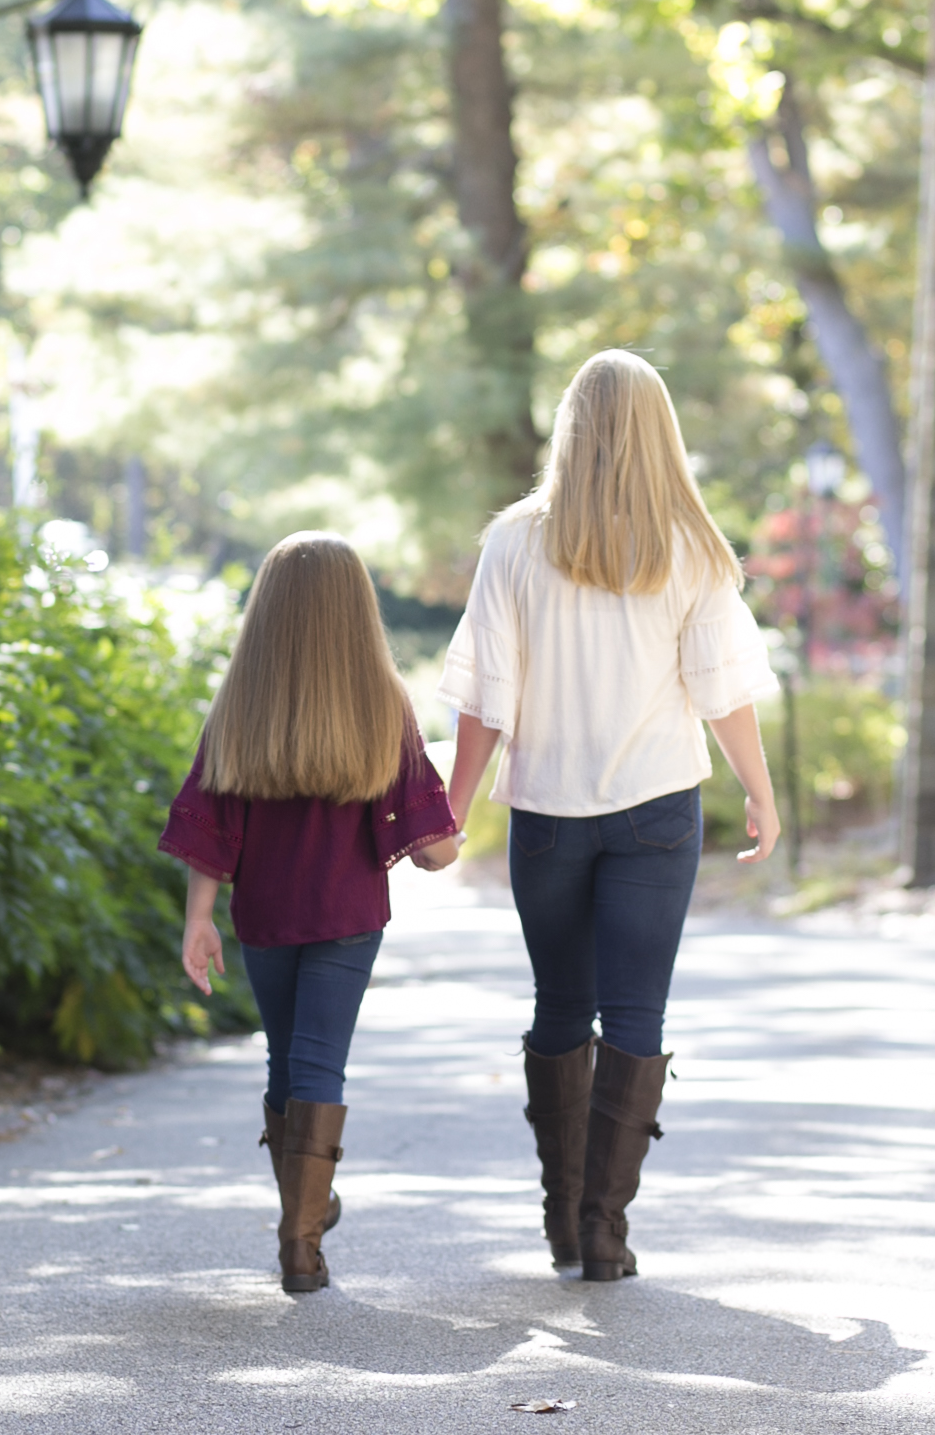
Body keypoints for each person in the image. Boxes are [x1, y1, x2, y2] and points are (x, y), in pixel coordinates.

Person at [438, 350, 781, 1282]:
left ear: (572, 425)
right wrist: (758, 785)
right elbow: (722, 689)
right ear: (658, 428)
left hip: (547, 811)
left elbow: (485, 699)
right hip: (658, 811)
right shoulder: (692, 546)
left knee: (560, 1004)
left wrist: (456, 806)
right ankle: (604, 1230)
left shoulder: (514, 540)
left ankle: (562, 1213)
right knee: (637, 1009)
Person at [159, 531, 460, 1295]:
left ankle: (302, 1221)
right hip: (349, 913)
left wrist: (200, 918)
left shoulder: (240, 703)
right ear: (358, 610)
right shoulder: (382, 703)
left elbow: (209, 819)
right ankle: (301, 1241)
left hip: (264, 911)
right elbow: (436, 849)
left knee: (284, 1061)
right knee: (320, 1063)